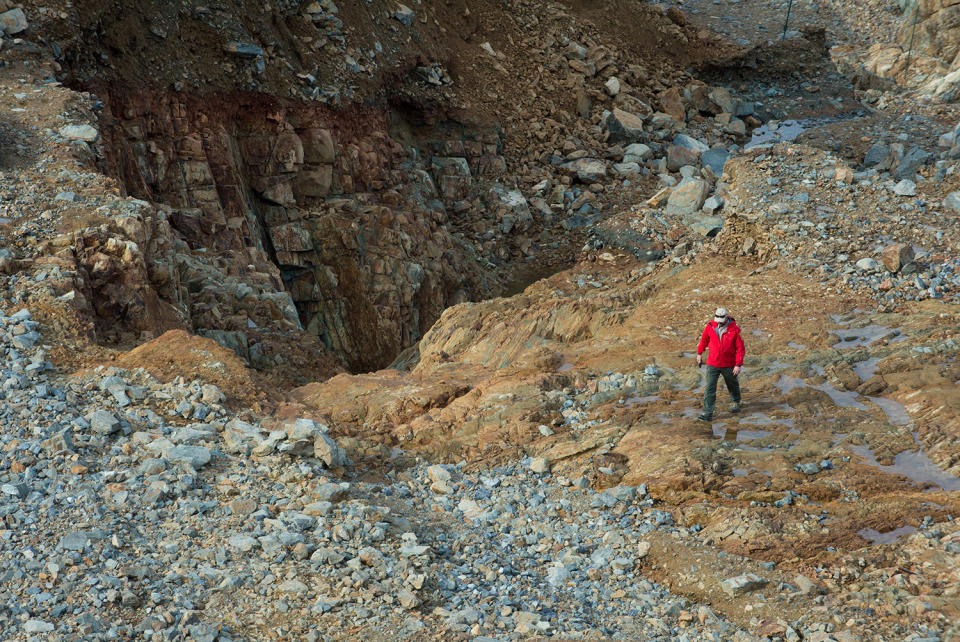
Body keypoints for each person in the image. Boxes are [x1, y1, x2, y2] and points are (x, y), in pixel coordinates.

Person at [695, 307, 744, 422]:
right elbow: (703, 341)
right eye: (717, 320)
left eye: (721, 321)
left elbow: (740, 349)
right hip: (713, 363)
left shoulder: (734, 330)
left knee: (732, 384)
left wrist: (738, 364)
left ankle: (735, 401)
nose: (719, 323)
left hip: (729, 364)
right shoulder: (710, 327)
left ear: (726, 318)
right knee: (709, 388)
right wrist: (699, 353)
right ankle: (707, 413)